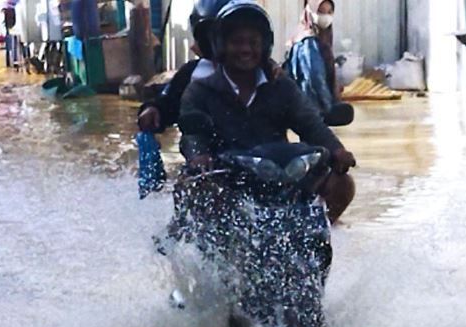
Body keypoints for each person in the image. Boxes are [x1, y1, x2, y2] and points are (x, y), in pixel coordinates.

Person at [180, 0, 355, 223]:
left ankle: (317, 237)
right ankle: (213, 247)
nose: (245, 49)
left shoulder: (281, 86)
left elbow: (310, 124)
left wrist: (337, 150)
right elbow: (191, 135)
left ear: (264, 46)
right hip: (226, 179)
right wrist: (199, 157)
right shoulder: (200, 90)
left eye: (253, 42)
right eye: (237, 42)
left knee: (342, 184)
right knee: (194, 185)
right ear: (221, 45)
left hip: (279, 176)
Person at [137, 0, 231, 133]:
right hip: (202, 151)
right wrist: (154, 109)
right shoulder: (191, 73)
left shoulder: (264, 74)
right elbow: (169, 104)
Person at [285, 0, 340, 117]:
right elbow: (315, 78)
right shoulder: (308, 42)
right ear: (310, 12)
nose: (326, 16)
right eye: (321, 12)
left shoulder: (320, 37)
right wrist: (329, 106)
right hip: (312, 109)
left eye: (329, 12)